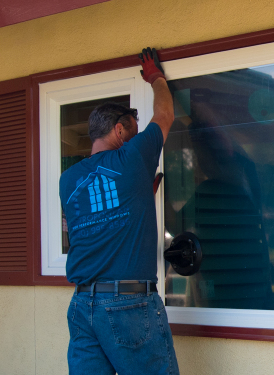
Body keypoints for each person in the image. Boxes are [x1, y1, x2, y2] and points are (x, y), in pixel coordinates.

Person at [59, 47, 178, 375]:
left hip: (83, 306)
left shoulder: (68, 180)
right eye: (133, 134)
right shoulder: (131, 157)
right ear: (120, 130)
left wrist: (139, 196)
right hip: (128, 305)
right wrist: (155, 77)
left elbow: (83, 225)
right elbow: (165, 116)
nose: (136, 141)